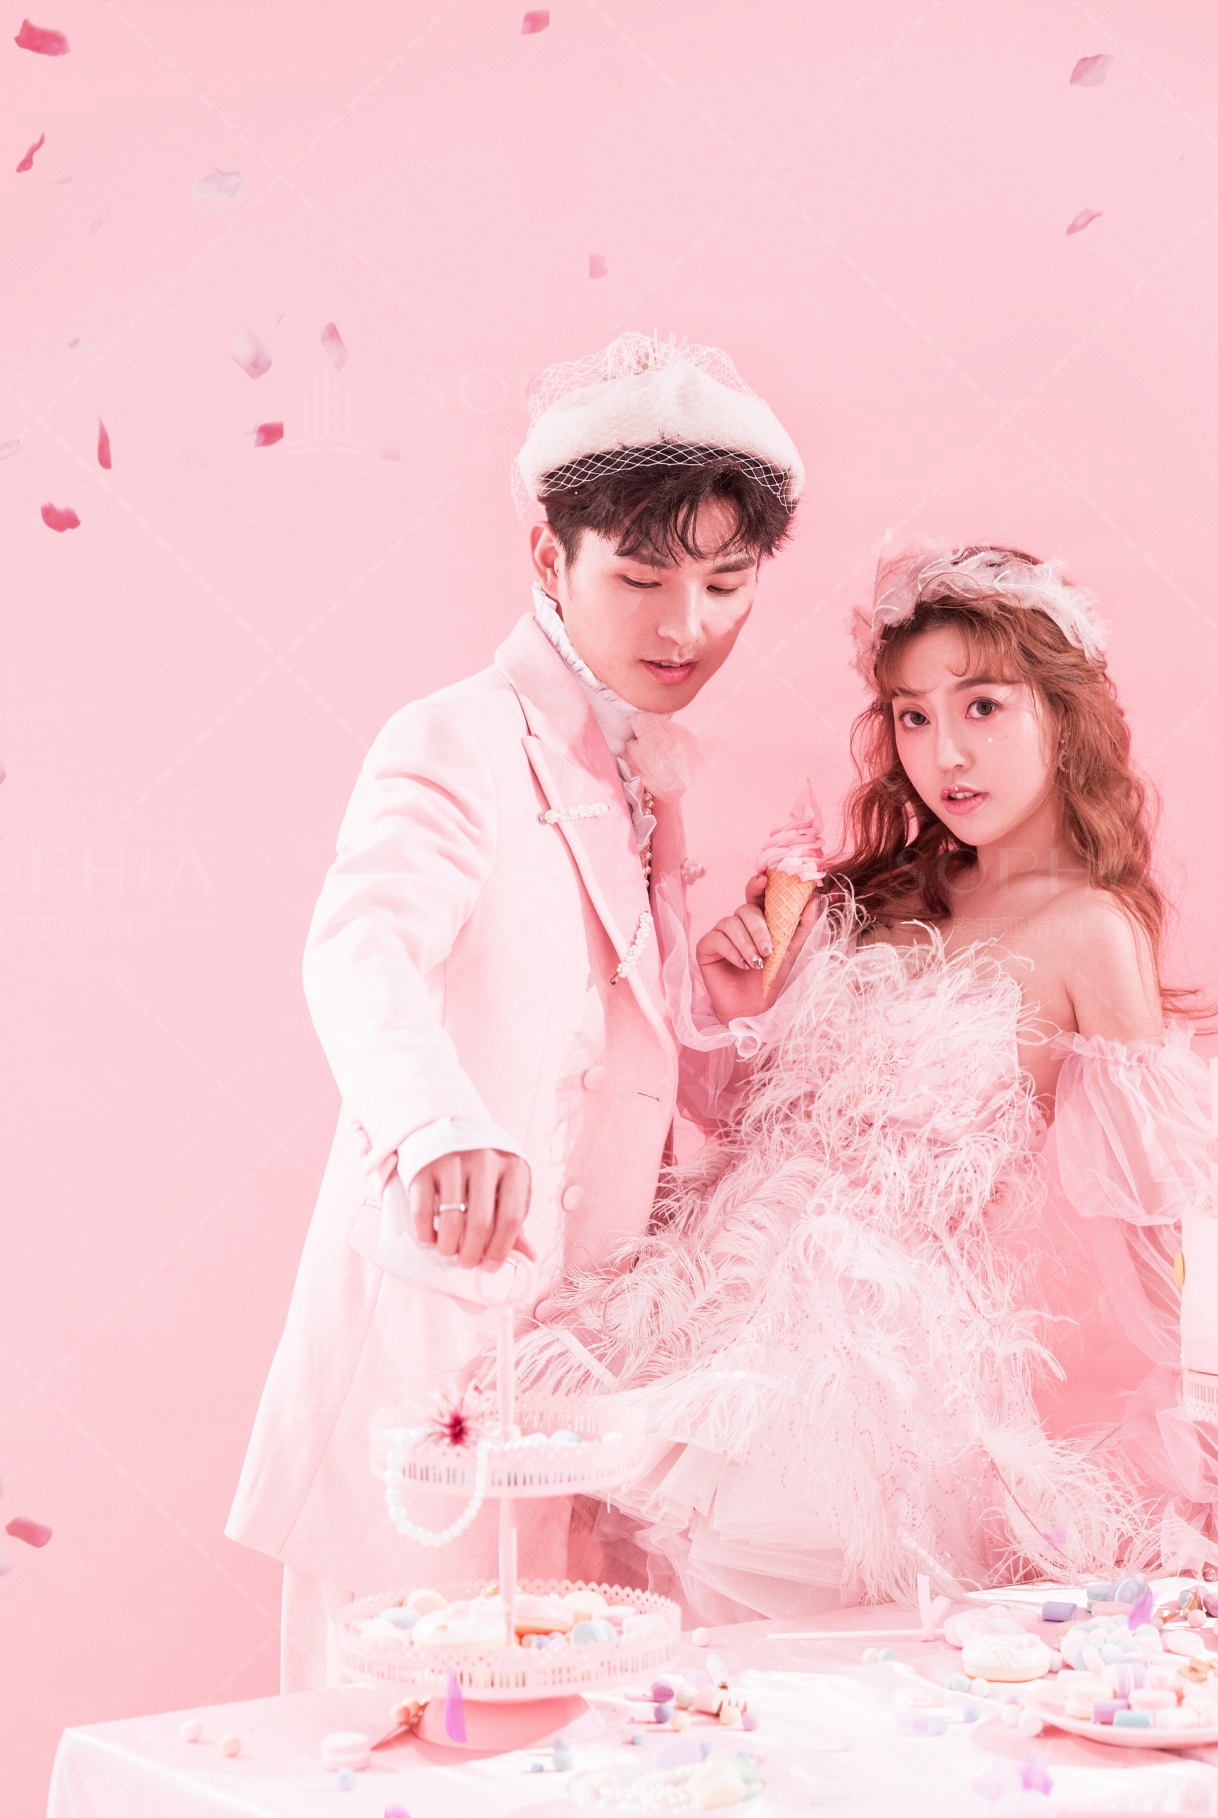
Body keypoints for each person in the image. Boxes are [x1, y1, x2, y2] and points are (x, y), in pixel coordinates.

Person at [515, 542, 1218, 1625]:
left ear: (1064, 711)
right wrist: (735, 1006)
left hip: (863, 1377)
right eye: (913, 716)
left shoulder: (1091, 932)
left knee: (798, 1667)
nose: (947, 754)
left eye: (983, 706)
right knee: (653, 1659)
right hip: (697, 1313)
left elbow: (1158, 1215)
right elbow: (742, 1124)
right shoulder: (879, 896)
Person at [224, 333, 805, 1688]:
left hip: (576, 1384)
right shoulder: (458, 737)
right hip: (433, 1371)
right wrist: (437, 1126)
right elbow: (361, 946)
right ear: (549, 558)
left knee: (560, 1756)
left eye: (726, 585)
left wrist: (716, 1013)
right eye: (642, 578)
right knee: (398, 1746)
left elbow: (617, 1066)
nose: (686, 627)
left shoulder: (647, 773)